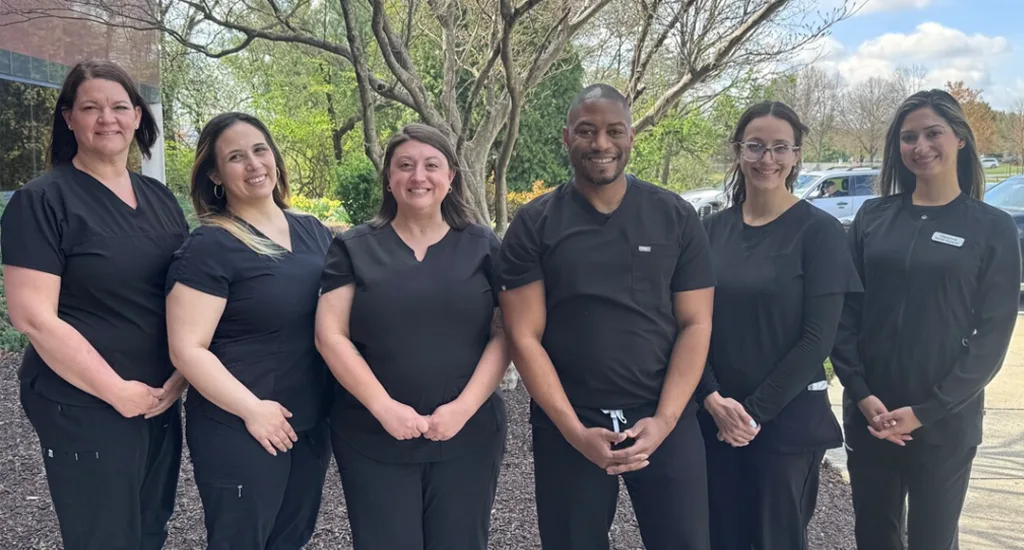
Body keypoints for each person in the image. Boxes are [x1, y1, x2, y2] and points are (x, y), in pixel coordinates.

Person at [498, 83, 715, 550]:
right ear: (566, 137)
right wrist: (574, 431)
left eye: (614, 130)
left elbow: (696, 323)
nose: (601, 144)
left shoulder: (675, 216)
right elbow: (524, 335)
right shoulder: (534, 224)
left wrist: (665, 420)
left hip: (662, 415)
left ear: (631, 136)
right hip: (571, 421)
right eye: (587, 131)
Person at [0, 59, 189, 550]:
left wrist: (180, 375)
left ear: (137, 117)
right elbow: (31, 316)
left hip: (159, 395)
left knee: (150, 527)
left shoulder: (159, 197)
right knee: (104, 536)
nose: (108, 118)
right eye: (91, 107)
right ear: (68, 119)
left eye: (120, 106)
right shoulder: (42, 200)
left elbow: (184, 295)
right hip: (85, 400)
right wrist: (115, 391)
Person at [831, 89, 1021, 550]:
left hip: (944, 422)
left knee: (933, 541)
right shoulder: (873, 217)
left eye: (933, 133)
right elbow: (844, 313)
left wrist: (926, 411)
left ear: (959, 139)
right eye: (908, 137)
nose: (920, 146)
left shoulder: (991, 227)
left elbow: (993, 335)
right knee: (875, 537)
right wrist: (861, 394)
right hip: (869, 415)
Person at [315, 123, 509, 550]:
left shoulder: (483, 246)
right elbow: (331, 335)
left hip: (468, 435)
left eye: (431, 165)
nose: (418, 176)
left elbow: (505, 334)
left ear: (451, 176)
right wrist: (384, 408)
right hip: (371, 435)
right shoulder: (353, 247)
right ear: (388, 177)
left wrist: (462, 409)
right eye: (405, 166)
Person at [696, 101, 861, 550]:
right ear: (738, 151)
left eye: (779, 147)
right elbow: (692, 324)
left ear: (795, 155)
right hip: (713, 418)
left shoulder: (820, 233)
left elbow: (817, 339)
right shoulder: (710, 232)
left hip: (785, 425)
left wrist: (751, 413)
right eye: (755, 146)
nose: (766, 159)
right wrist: (712, 398)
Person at [165, 112, 333, 549]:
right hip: (241, 426)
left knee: (290, 539)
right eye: (236, 157)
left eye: (260, 150)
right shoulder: (210, 246)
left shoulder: (313, 231)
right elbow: (188, 348)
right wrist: (252, 410)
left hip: (309, 421)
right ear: (216, 175)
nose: (254, 164)